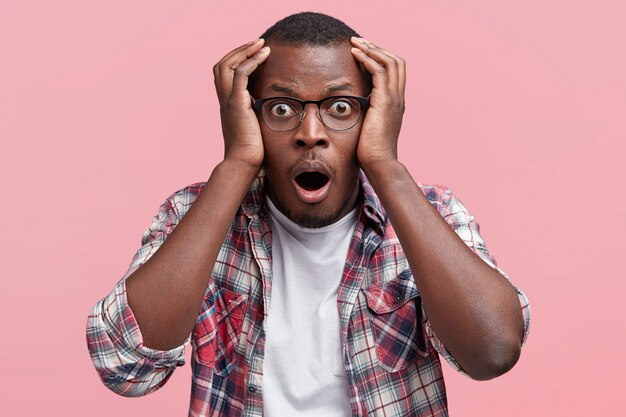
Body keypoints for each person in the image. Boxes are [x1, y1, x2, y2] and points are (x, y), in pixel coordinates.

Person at [87, 12, 530, 417]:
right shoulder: (193, 214)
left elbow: (492, 353)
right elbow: (124, 366)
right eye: (281, 109)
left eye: (341, 108)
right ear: (247, 115)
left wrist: (386, 165)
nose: (310, 134)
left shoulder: (431, 213)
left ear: (374, 114)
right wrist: (237, 163)